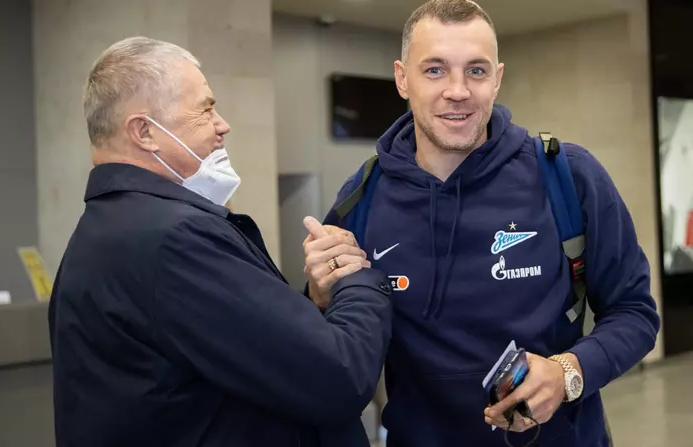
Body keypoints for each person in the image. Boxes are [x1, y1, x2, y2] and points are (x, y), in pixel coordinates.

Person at [312, 1, 661, 446]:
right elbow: (332, 349)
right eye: (435, 70)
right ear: (402, 79)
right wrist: (319, 299)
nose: (457, 91)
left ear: (497, 79)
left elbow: (635, 313)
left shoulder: (568, 176)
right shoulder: (362, 197)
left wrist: (568, 373)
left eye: (475, 71)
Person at [48, 36, 393, 447]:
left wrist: (317, 303)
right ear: (144, 132)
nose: (222, 124)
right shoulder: (172, 240)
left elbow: (247, 351)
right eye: (205, 109)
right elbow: (339, 377)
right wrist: (355, 277)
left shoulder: (105, 229)